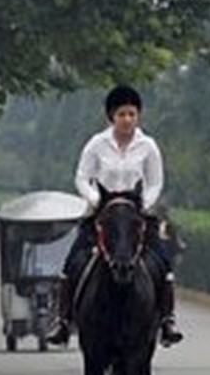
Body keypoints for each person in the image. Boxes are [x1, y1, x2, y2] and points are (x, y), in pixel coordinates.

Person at [47, 84, 183, 348]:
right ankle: (62, 320)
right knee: (72, 262)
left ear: (138, 116)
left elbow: (155, 182)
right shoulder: (97, 144)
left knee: (163, 265)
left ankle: (167, 321)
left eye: (132, 114)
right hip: (102, 213)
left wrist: (144, 204)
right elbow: (82, 177)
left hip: (136, 215)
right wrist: (95, 200)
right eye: (122, 114)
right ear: (111, 117)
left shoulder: (148, 146)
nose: (127, 120)